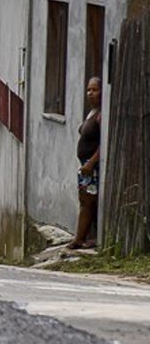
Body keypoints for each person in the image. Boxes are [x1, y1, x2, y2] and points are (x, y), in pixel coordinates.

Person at [68, 77, 102, 250]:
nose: (90, 93)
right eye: (89, 89)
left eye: (94, 90)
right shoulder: (92, 112)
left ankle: (79, 239)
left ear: (102, 92)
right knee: (85, 200)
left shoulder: (101, 115)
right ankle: (83, 237)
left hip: (92, 167)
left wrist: (91, 164)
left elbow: (104, 143)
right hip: (85, 166)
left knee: (87, 202)